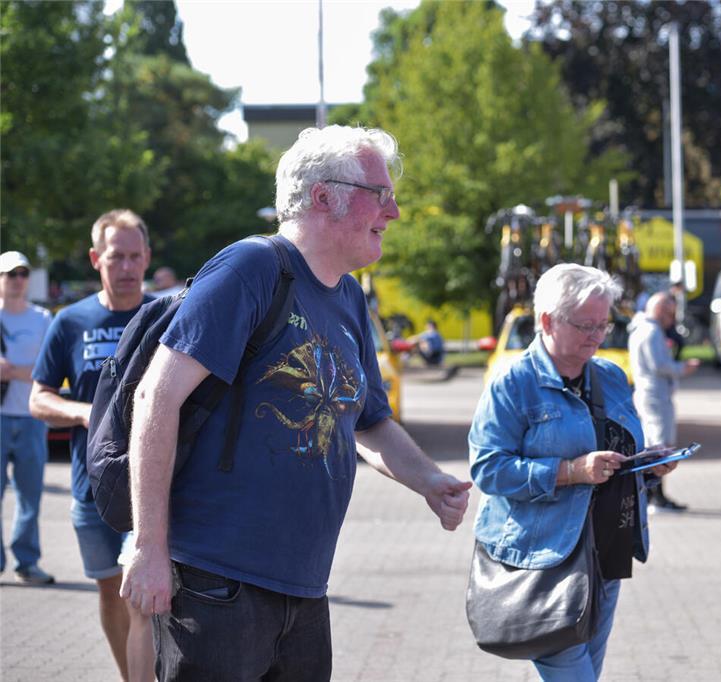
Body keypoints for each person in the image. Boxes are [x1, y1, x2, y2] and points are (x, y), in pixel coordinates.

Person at [119, 125, 472, 680]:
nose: (395, 211)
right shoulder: (251, 268)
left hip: (304, 588)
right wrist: (148, 547)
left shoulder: (349, 295)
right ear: (324, 196)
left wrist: (429, 481)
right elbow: (155, 397)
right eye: (380, 194)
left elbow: (369, 423)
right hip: (217, 582)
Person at [469, 263, 680, 681]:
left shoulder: (611, 376)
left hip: (606, 553)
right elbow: (489, 469)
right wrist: (570, 471)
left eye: (604, 325)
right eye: (586, 326)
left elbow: (618, 454)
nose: (597, 336)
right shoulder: (513, 383)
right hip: (545, 561)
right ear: (548, 321)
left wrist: (649, 466)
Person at [30, 210, 155, 681]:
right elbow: (38, 398)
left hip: (154, 487)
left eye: (135, 256)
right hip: (93, 489)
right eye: (116, 256)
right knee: (111, 592)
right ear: (95, 259)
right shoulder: (71, 322)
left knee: (141, 596)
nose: (127, 267)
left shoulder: (166, 316)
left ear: (147, 257)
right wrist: (86, 413)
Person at [0, 250, 54, 585]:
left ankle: (27, 562)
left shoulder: (42, 318)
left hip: (32, 416)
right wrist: (27, 372)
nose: (18, 280)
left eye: (23, 274)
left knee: (30, 497)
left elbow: (49, 369)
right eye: (11, 274)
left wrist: (12, 371)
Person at [628, 291, 698, 513]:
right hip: (654, 395)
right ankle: (655, 497)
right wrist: (683, 368)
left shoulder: (642, 329)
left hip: (651, 394)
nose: (672, 319)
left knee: (656, 444)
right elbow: (659, 365)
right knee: (659, 446)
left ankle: (655, 495)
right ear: (659, 311)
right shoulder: (651, 332)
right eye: (670, 313)